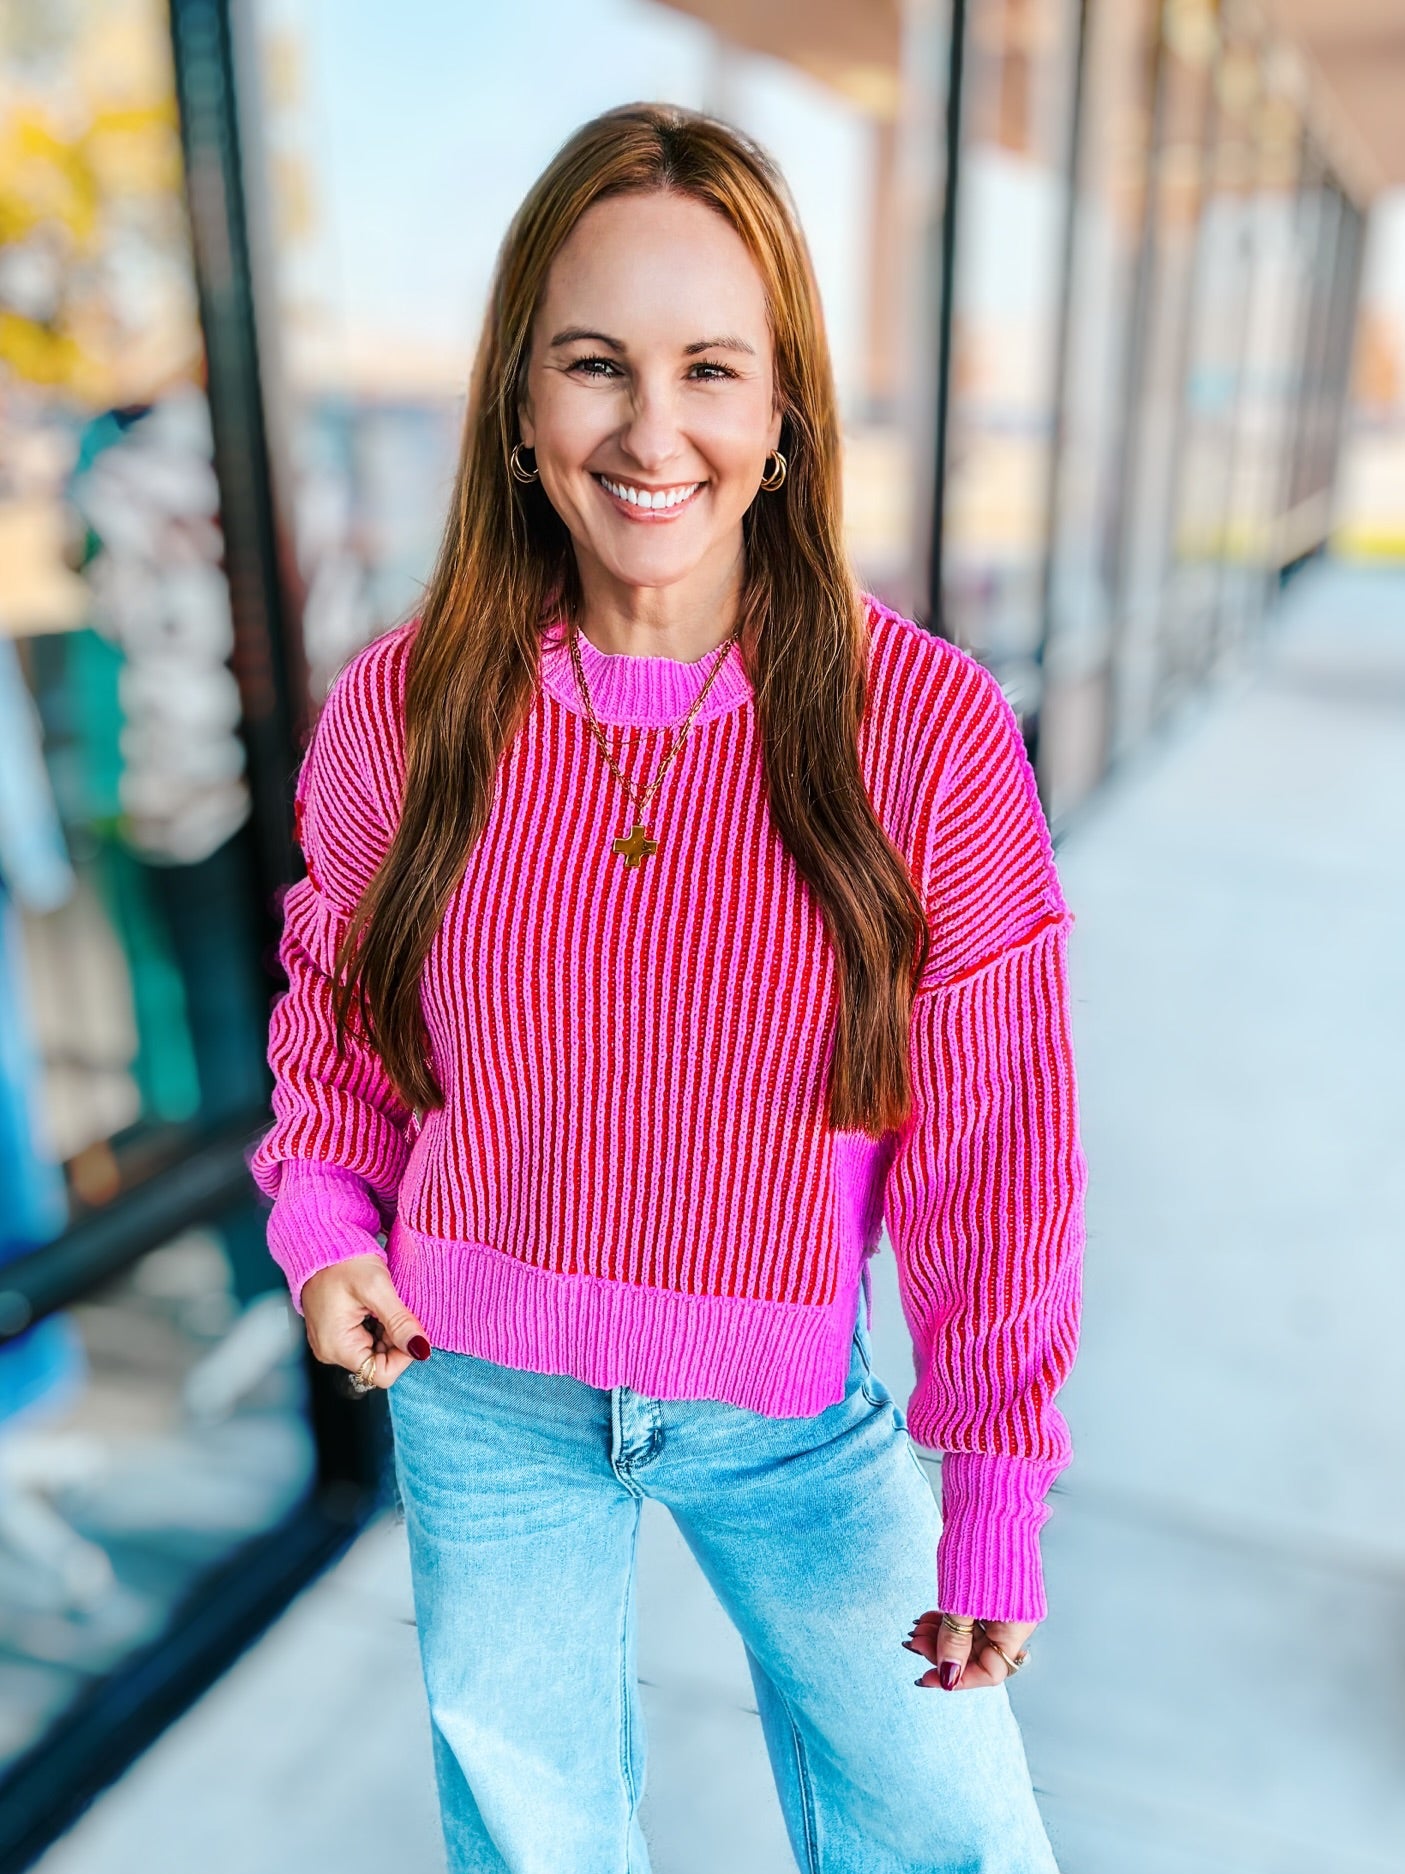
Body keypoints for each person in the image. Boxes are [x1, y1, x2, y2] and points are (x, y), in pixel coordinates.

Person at [249, 102, 1086, 1874]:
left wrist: (993, 1493)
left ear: (780, 418)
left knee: (957, 1835)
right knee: (533, 1838)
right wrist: (328, 1223)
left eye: (712, 368)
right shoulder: (404, 709)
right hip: (475, 1385)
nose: (652, 431)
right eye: (593, 366)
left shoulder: (920, 733)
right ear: (519, 403)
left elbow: (996, 1152)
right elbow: (336, 1014)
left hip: (787, 1407)